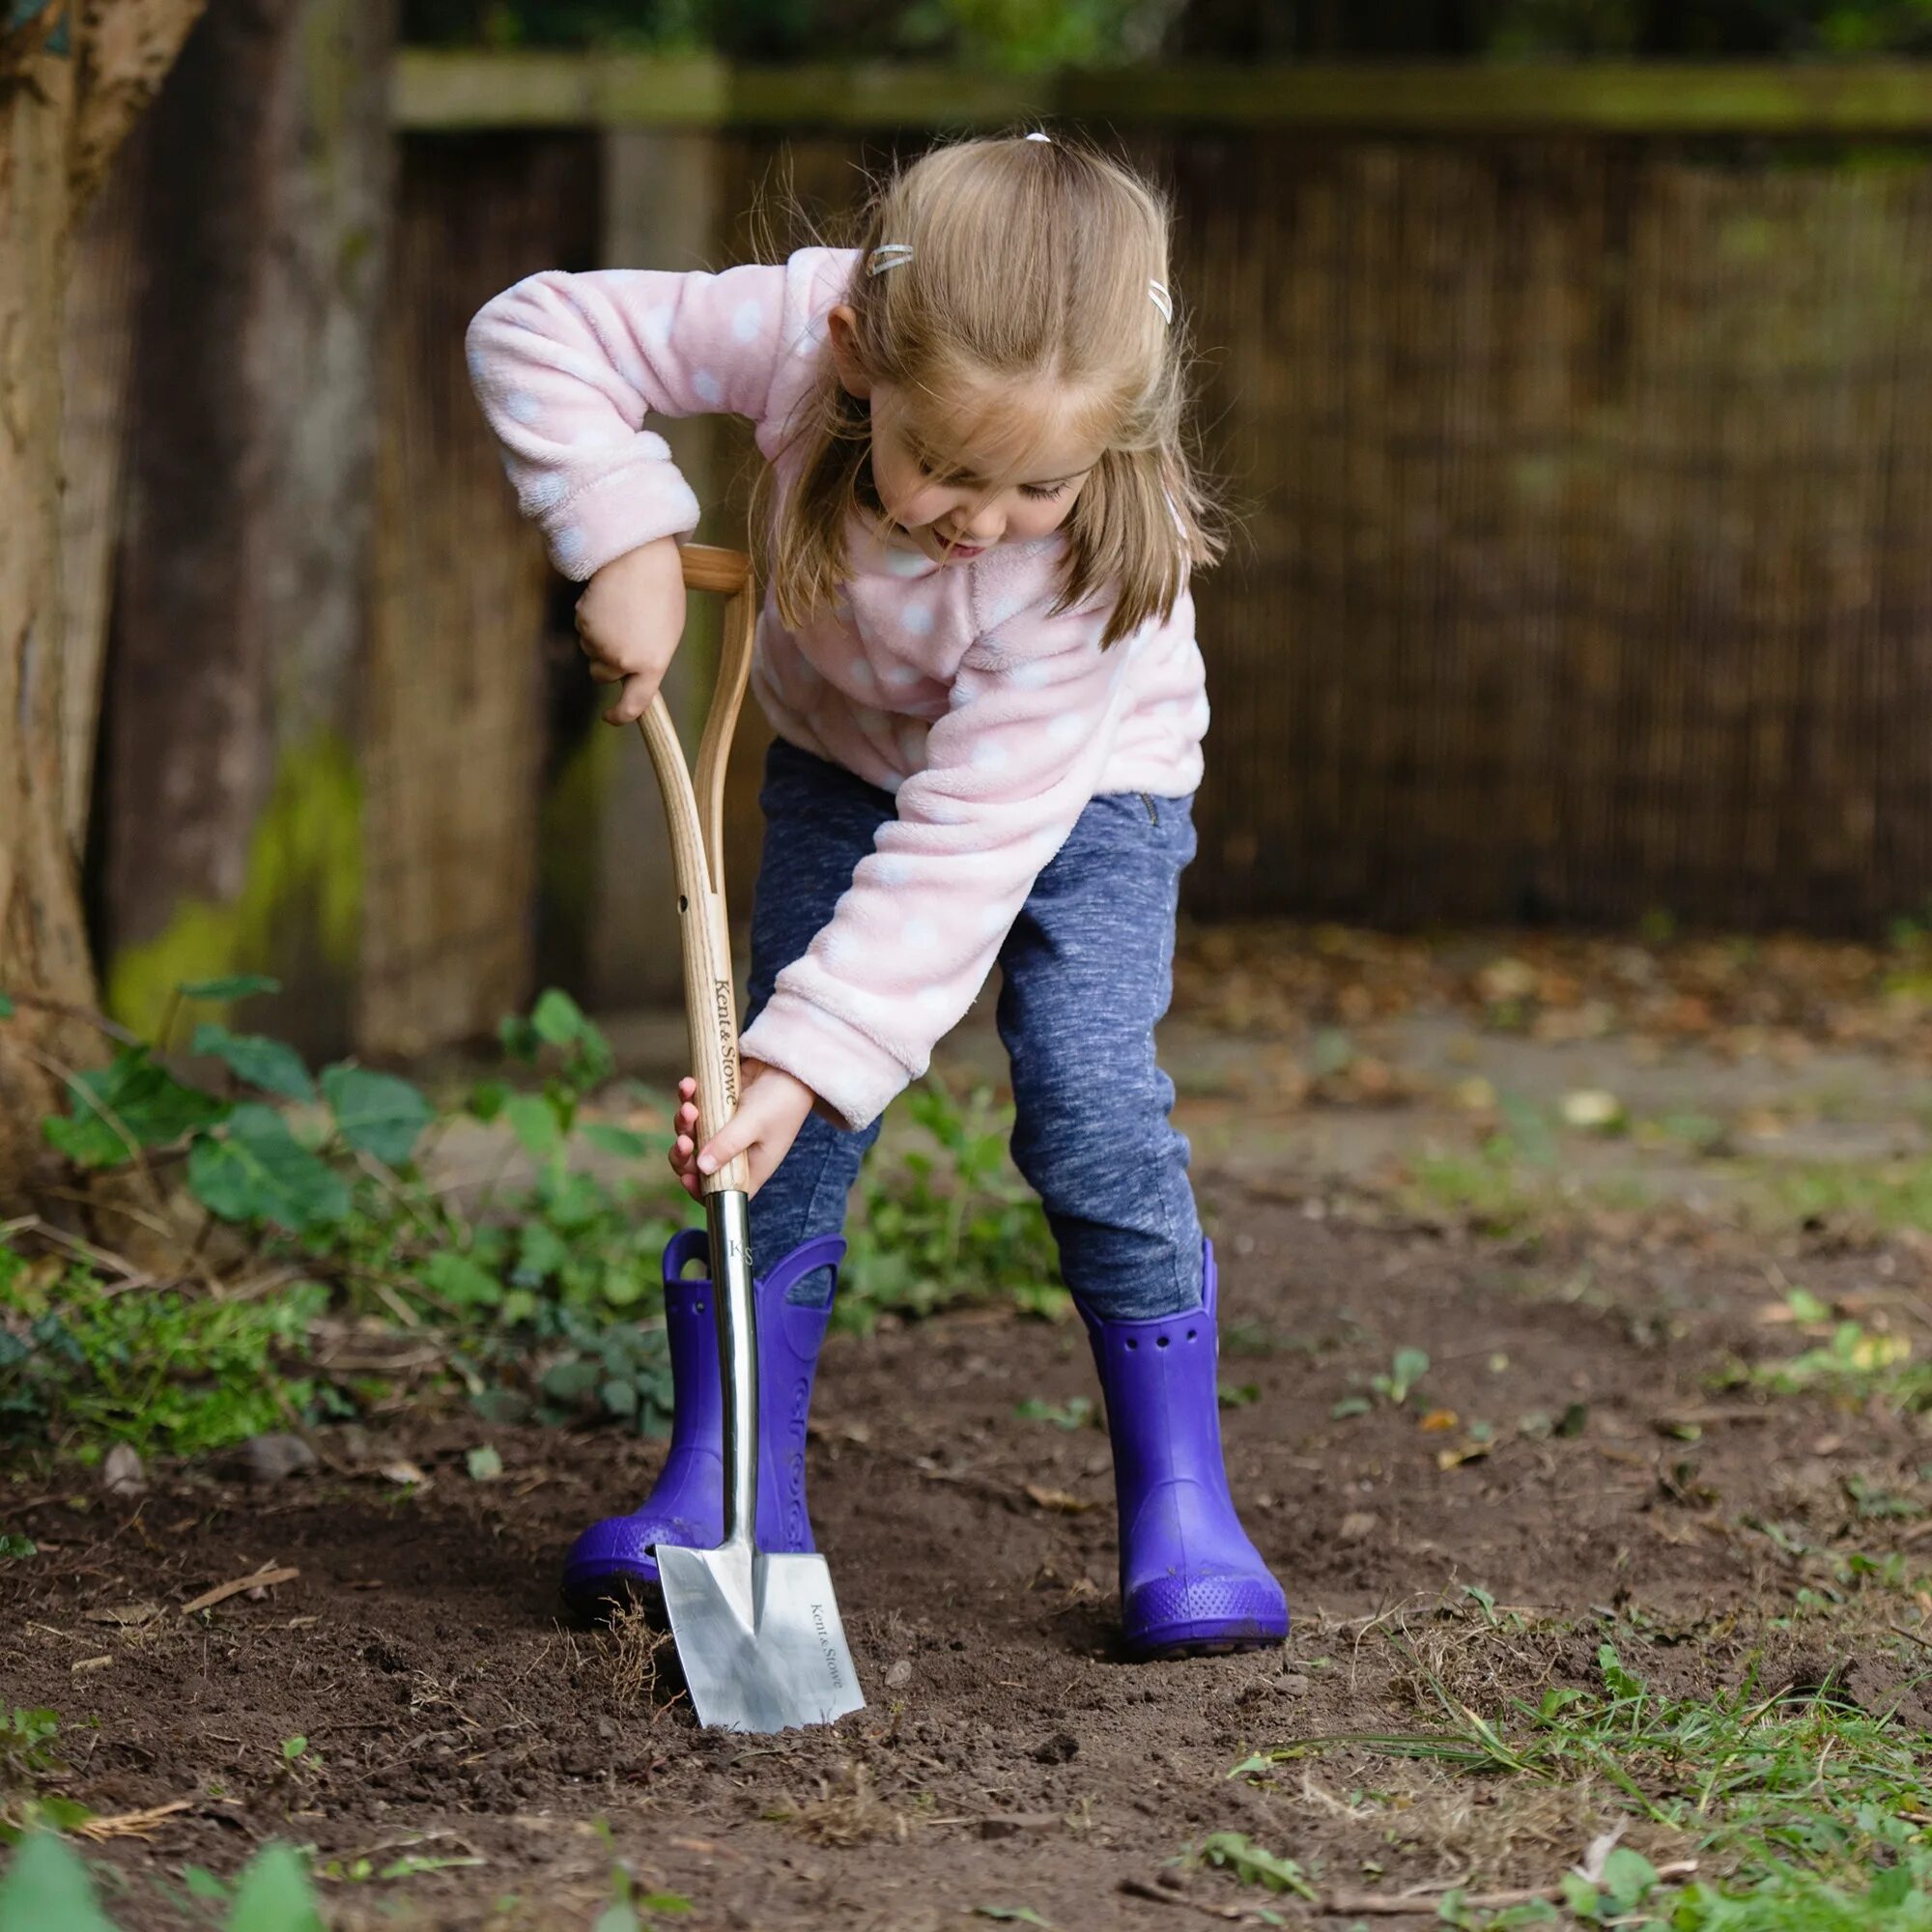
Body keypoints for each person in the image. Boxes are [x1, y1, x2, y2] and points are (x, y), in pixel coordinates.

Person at [467, 131, 1287, 1657]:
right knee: (770, 1139)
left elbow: (972, 845)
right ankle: (729, 1495)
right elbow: (540, 327)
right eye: (947, 466)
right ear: (856, 356)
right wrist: (626, 535)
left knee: (1089, 1097)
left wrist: (814, 1050)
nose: (980, 515)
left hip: (1085, 788)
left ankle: (1186, 1505)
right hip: (845, 759)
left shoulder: (1091, 576)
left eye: (1037, 480)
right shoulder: (805, 324)